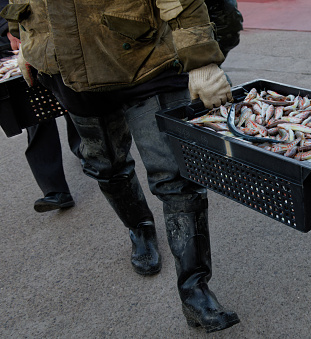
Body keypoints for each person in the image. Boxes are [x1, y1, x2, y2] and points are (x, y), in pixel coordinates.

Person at [1, 0, 242, 333]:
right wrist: (25, 39)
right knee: (106, 166)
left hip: (147, 64)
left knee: (176, 178)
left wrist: (202, 62)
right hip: (71, 75)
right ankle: (140, 229)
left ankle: (195, 291)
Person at [1, 0, 82, 212]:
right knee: (35, 114)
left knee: (69, 94)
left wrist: (13, 27)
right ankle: (55, 190)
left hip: (34, 27)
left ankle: (86, 151)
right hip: (11, 40)